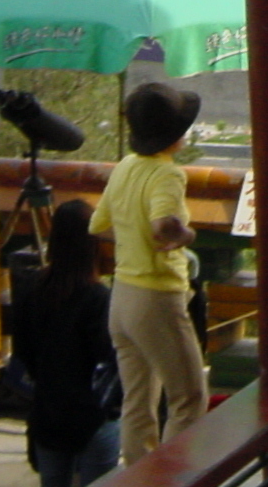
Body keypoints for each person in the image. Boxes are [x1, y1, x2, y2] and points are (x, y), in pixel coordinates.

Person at [90, 83, 208, 464]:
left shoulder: (126, 167)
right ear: (173, 134)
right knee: (189, 399)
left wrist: (133, 239)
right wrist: (184, 234)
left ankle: (138, 475)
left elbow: (98, 224)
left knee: (137, 402)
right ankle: (175, 478)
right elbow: (163, 226)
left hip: (122, 296)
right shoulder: (167, 175)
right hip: (157, 297)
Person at [11, 199, 119, 487]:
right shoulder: (98, 298)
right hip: (93, 419)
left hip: (49, 414)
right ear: (92, 244)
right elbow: (107, 362)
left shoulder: (32, 288)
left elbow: (22, 350)